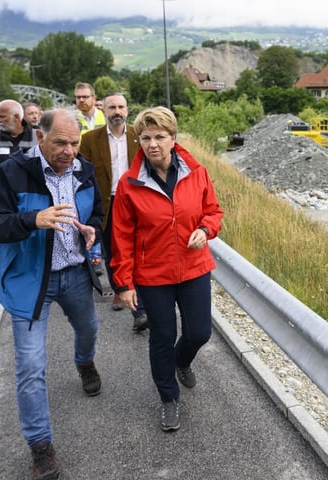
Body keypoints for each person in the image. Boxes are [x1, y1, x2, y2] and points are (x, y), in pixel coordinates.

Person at [0, 108, 104, 480]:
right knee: (31, 368)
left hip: (75, 276)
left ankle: (84, 362)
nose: (69, 151)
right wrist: (32, 220)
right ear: (39, 138)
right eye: (60, 143)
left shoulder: (83, 170)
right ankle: (40, 447)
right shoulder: (12, 172)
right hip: (32, 282)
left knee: (89, 330)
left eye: (75, 142)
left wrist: (92, 230)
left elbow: (96, 211)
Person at [110, 106, 224, 431]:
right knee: (162, 336)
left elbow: (214, 211)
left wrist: (205, 228)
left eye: (160, 136)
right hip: (152, 276)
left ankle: (182, 361)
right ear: (139, 142)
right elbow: (121, 238)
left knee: (199, 332)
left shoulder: (196, 172)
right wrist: (124, 283)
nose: (153, 144)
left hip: (194, 267)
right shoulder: (129, 184)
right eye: (145, 137)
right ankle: (168, 398)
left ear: (173, 138)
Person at [79, 92, 148, 330]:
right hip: (107, 205)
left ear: (127, 110)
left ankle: (138, 298)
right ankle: (130, 302)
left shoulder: (139, 137)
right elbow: (83, 177)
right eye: (112, 108)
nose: (117, 111)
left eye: (121, 107)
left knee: (139, 252)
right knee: (112, 253)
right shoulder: (90, 140)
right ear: (104, 111)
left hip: (135, 203)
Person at [74, 82, 107, 274]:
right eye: (78, 97)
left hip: (103, 173)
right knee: (86, 214)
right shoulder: (73, 119)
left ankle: (98, 254)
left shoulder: (105, 116)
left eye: (85, 96)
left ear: (94, 98)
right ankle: (91, 257)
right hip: (82, 173)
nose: (81, 100)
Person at [0, 99, 39, 181]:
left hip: (31, 192)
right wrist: (0, 177)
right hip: (2, 192)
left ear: (16, 117)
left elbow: (49, 165)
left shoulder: (38, 136)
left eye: (2, 116)